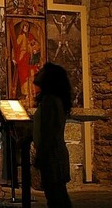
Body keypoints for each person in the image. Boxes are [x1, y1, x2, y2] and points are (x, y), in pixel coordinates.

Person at [33, 63, 73, 208]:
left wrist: (41, 154)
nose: (38, 72)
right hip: (53, 151)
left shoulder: (50, 100)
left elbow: (49, 131)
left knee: (56, 196)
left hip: (52, 153)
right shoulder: (52, 100)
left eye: (42, 71)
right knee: (57, 194)